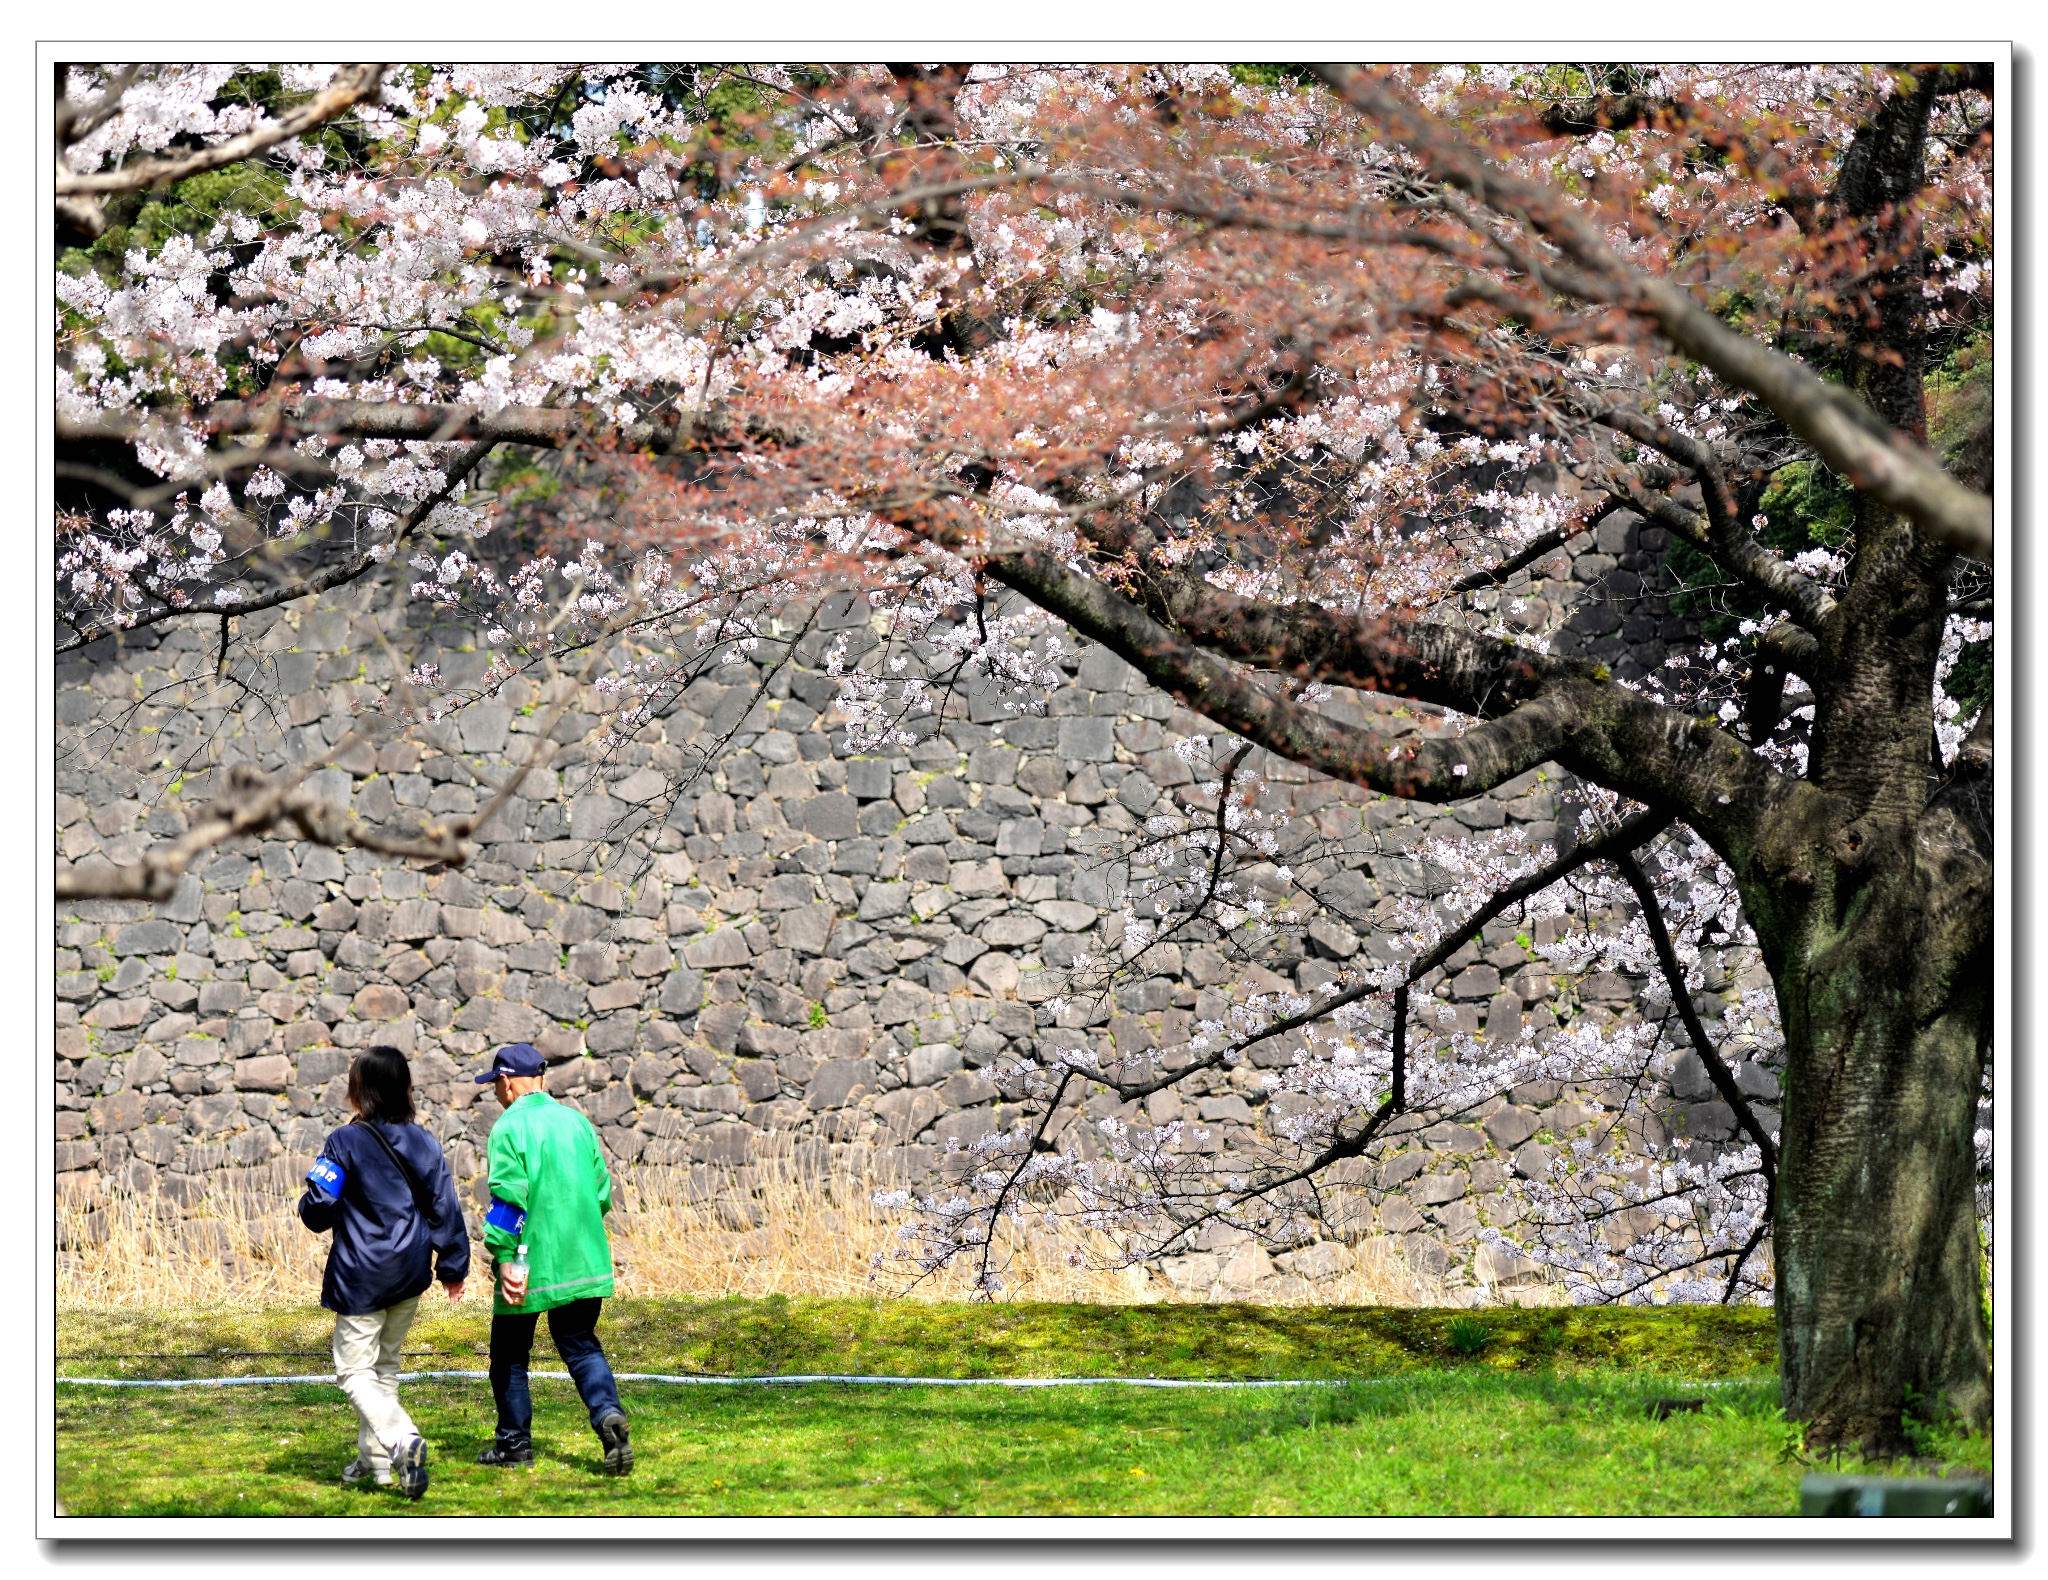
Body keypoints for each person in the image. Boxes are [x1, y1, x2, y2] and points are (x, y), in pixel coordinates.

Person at [297, 1044, 470, 1499]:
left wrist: (311, 1195)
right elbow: (445, 1208)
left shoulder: (343, 1142)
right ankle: (375, 1466)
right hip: (411, 1271)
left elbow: (318, 1211)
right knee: (385, 1369)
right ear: (404, 1089)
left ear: (360, 1093)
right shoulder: (425, 1141)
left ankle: (401, 1439)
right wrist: (453, 1267)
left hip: (362, 1275)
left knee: (354, 1373)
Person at [473, 1042, 632, 1475]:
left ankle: (513, 1445)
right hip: (583, 1259)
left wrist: (505, 1255)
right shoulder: (577, 1122)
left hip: (530, 1263)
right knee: (581, 1346)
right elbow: (602, 1190)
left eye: (495, 1085)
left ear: (505, 1081)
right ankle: (607, 1415)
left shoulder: (508, 1128)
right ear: (541, 1079)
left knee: (509, 1354)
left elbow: (509, 1197)